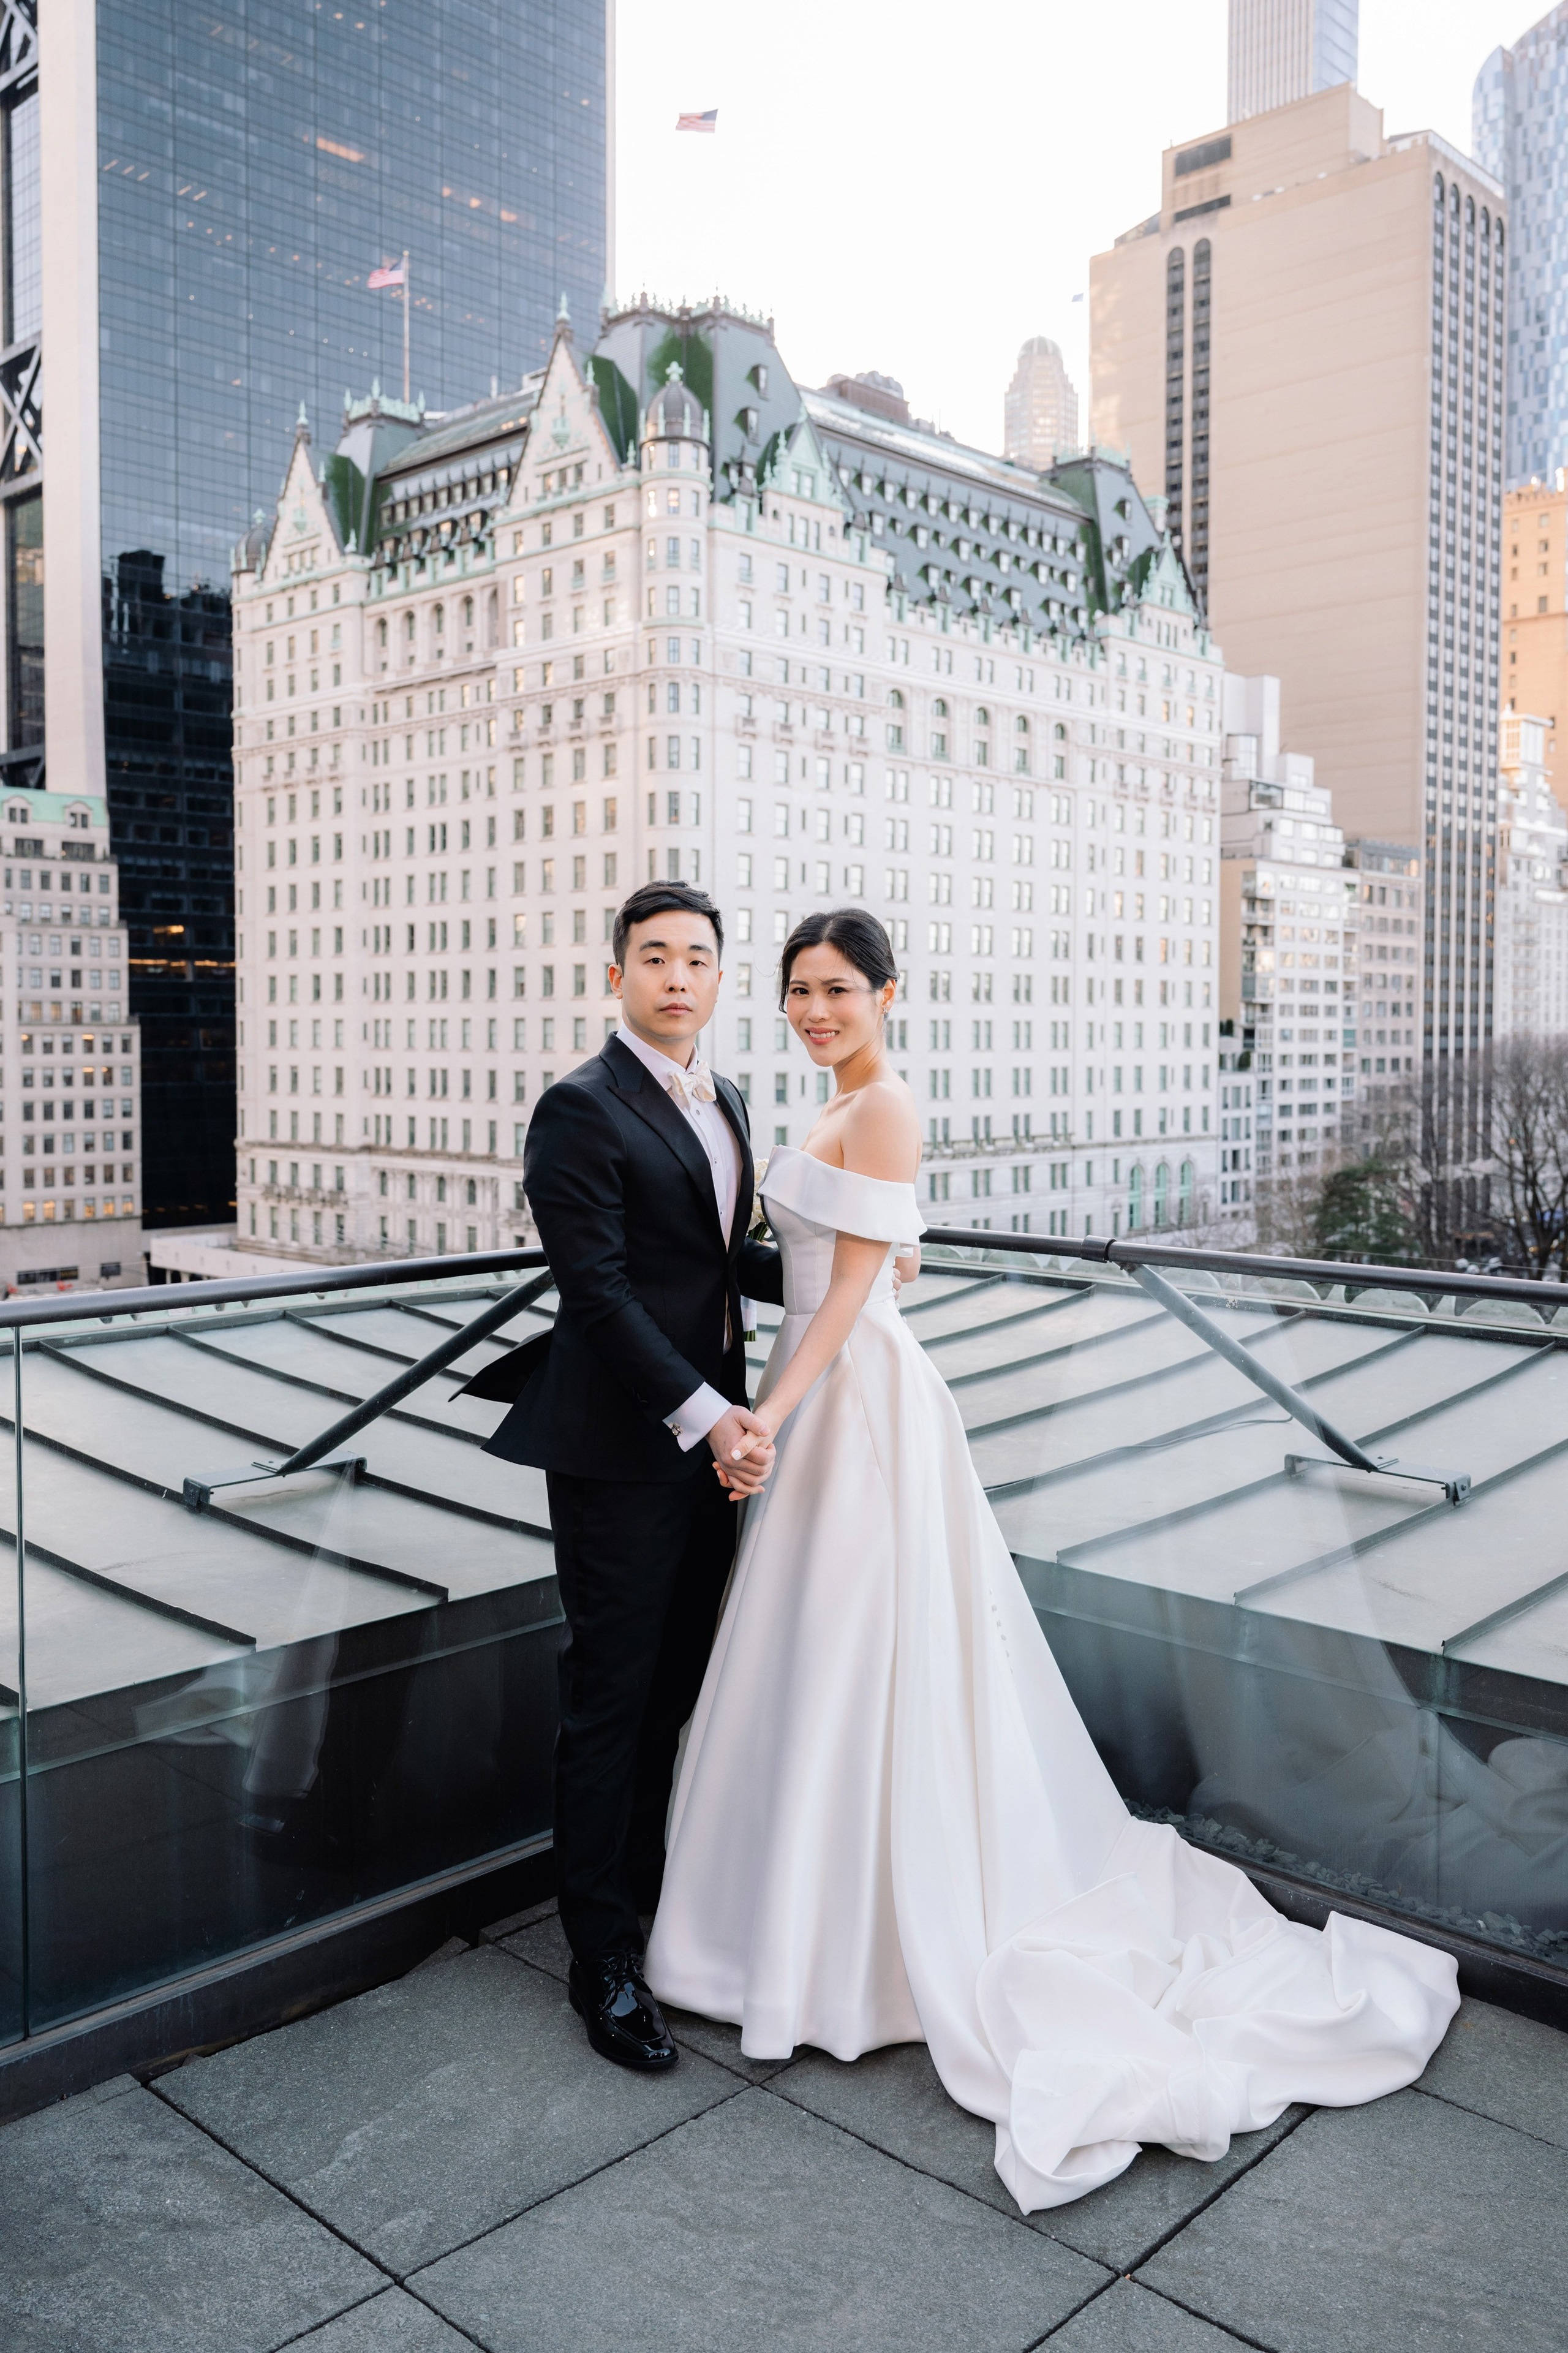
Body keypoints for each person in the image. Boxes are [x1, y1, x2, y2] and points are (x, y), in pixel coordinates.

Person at [644, 907, 1460, 2212]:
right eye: (798, 990)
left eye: (839, 989)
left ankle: (839, 1945)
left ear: (887, 995)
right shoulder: (832, 1107)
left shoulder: (883, 1104)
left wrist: (763, 1421)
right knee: (820, 1652)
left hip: (849, 1399)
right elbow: (867, 1251)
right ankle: (794, 1928)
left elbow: (855, 1291)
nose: (814, 1010)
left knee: (863, 1648)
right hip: (821, 1390)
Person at [475, 882, 783, 2071]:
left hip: (711, 1453)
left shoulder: (732, 1099)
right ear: (616, 977)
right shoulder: (577, 1109)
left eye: (696, 958)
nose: (674, 976)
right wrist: (712, 1419)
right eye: (651, 957)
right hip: (621, 1452)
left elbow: (713, 1260)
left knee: (676, 1691)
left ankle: (656, 1911)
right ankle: (597, 1958)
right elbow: (597, 1295)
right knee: (609, 1701)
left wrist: (835, 1268)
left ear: (716, 979)